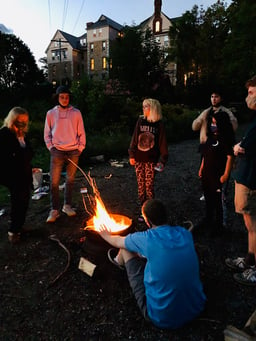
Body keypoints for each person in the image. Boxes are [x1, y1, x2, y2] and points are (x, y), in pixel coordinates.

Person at [98, 199, 206, 329]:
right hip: (195, 307)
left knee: (125, 248)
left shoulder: (146, 238)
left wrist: (105, 234)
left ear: (148, 221)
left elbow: (117, 241)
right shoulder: (184, 233)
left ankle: (118, 263)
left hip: (161, 317)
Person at [225, 75, 256, 286]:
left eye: (251, 92)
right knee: (250, 225)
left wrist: (237, 148)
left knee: (253, 225)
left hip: (251, 180)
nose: (248, 96)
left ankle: (253, 268)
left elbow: (245, 147)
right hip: (247, 177)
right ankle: (249, 260)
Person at [192, 90, 237, 227]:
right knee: (208, 190)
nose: (213, 99)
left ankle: (220, 222)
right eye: (211, 96)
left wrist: (226, 173)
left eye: (216, 96)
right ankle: (209, 218)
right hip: (208, 150)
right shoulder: (207, 113)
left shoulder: (225, 114)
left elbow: (230, 154)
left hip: (220, 159)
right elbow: (195, 126)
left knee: (219, 194)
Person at [44, 85, 86, 223]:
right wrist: (51, 147)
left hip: (73, 150)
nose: (64, 99)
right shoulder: (51, 113)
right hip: (57, 150)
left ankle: (67, 206)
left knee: (70, 180)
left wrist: (80, 148)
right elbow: (47, 133)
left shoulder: (76, 113)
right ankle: (54, 209)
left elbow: (81, 132)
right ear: (57, 98)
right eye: (61, 97)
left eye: (67, 97)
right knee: (54, 181)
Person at [128, 98, 168, 221]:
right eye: (143, 106)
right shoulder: (140, 120)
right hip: (139, 158)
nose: (143, 108)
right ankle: (143, 210)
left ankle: (150, 213)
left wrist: (163, 159)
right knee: (141, 186)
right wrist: (131, 154)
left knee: (149, 186)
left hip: (151, 160)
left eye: (146, 106)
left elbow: (162, 143)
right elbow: (135, 137)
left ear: (153, 109)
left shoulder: (158, 124)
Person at [197, 112, 235, 235]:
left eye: (215, 123)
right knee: (208, 197)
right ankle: (208, 219)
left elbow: (230, 157)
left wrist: (226, 174)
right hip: (207, 173)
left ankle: (219, 225)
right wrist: (201, 168)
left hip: (218, 174)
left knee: (218, 200)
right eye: (212, 122)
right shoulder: (210, 137)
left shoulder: (225, 139)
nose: (213, 125)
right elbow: (204, 154)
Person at [0, 107, 33, 243]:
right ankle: (13, 231)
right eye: (20, 120)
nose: (23, 123)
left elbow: (29, 151)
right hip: (11, 174)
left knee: (24, 201)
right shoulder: (4, 134)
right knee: (17, 202)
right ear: (13, 119)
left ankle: (19, 226)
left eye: (25, 120)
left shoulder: (23, 134)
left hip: (23, 173)